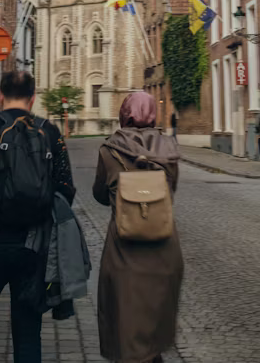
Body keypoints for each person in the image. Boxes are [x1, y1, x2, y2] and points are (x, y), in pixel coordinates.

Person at [0, 70, 75, 363]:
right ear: (33, 98)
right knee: (27, 326)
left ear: (0, 95)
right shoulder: (50, 132)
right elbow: (65, 189)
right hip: (32, 246)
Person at [93, 91, 183, 363]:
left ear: (124, 114)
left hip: (124, 252)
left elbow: (98, 193)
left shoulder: (109, 149)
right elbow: (171, 190)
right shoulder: (169, 149)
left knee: (127, 329)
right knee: (153, 334)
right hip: (164, 251)